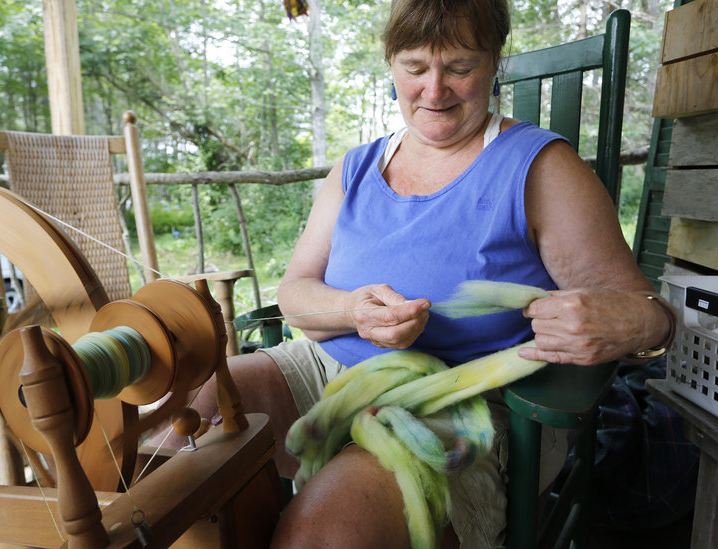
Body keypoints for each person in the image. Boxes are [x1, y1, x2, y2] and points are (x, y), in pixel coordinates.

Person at [179, 0, 675, 547]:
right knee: (193, 425)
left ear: (493, 62)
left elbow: (643, 315)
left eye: (460, 67)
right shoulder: (355, 167)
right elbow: (294, 292)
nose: (434, 91)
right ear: (391, 64)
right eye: (415, 67)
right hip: (329, 364)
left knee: (331, 524)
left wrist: (644, 326)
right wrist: (352, 311)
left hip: (467, 400)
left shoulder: (542, 169)